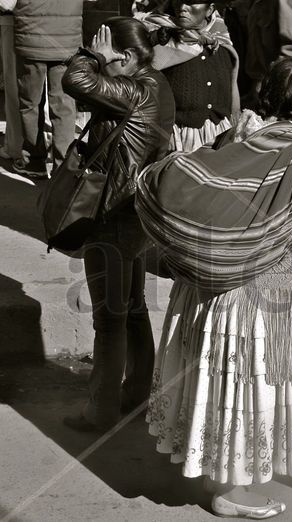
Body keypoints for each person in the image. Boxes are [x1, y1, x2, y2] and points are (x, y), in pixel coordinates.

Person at [136, 57, 292, 519]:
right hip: (253, 303)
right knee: (244, 393)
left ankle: (215, 471)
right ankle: (234, 492)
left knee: (215, 386)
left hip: (205, 294)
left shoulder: (232, 137)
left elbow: (177, 178)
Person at [61, 18, 175, 432]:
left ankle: (100, 412)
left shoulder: (134, 90)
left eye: (110, 58)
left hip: (113, 215)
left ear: (125, 57)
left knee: (110, 319)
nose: (102, 67)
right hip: (138, 214)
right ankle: (137, 395)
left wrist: (93, 57)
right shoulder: (157, 84)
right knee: (133, 310)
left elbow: (74, 79)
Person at [135, 0, 239, 152]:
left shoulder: (221, 39)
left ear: (209, 10)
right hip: (178, 136)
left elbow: (231, 86)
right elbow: (147, 89)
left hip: (220, 134)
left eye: (191, 3)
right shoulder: (162, 38)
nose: (183, 8)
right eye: (179, 2)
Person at [12, 0, 83, 178]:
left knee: (30, 103)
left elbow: (6, 3)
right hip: (67, 37)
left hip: (31, 34)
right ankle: (63, 171)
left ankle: (35, 162)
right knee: (64, 106)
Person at [0, 6, 23, 161]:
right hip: (60, 26)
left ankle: (15, 146)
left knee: (14, 82)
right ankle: (43, 141)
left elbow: (7, 3)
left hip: (16, 21)